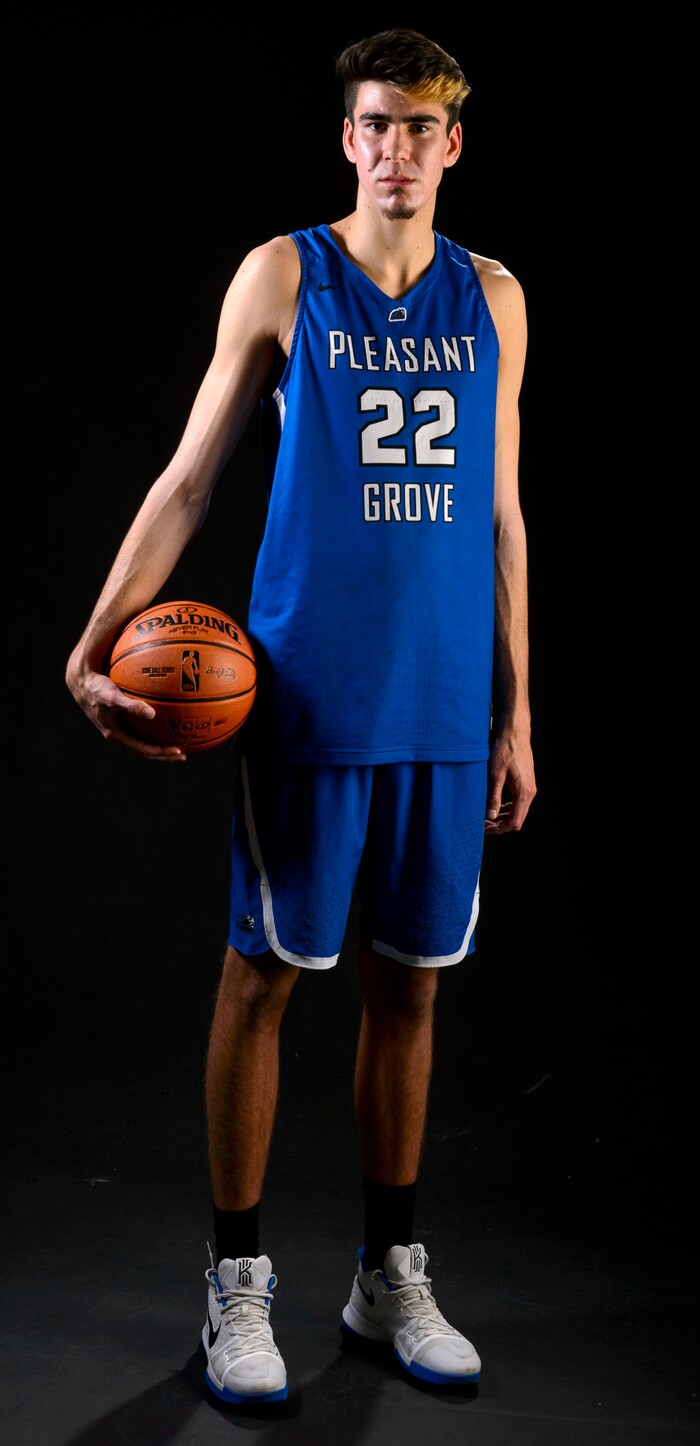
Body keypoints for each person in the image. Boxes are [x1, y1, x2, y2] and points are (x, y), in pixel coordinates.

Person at [65, 26, 536, 1405]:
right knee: (261, 980)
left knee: (413, 985)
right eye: (376, 124)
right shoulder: (288, 274)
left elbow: (504, 515)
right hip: (312, 696)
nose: (398, 149)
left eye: (423, 127)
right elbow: (189, 478)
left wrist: (519, 712)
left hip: (446, 703)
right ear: (349, 138)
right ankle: (236, 1282)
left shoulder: (496, 298)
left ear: (456, 144)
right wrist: (90, 643)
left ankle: (388, 1274)